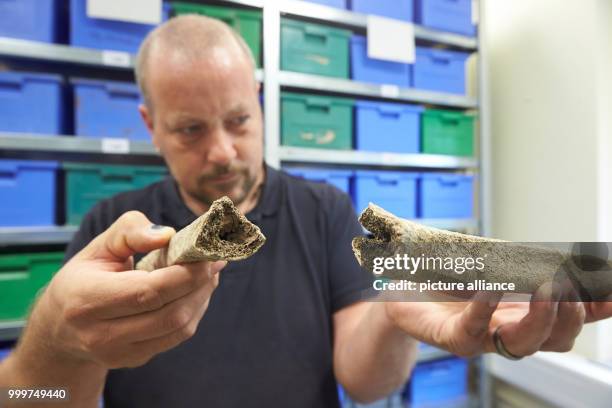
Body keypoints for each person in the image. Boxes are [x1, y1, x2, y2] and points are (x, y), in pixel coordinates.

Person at [1, 15, 611, 408]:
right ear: (150, 126)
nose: (222, 151)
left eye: (239, 120)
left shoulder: (324, 210)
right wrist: (58, 342)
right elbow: (38, 397)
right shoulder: (112, 230)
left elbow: (367, 385)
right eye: (189, 129)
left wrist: (393, 311)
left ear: (261, 101)